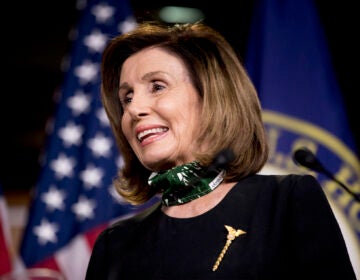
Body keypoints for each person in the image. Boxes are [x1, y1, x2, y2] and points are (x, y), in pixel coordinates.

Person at [85, 21, 356, 279]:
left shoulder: (285, 201)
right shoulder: (115, 245)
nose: (133, 109)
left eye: (157, 86)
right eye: (127, 98)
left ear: (211, 95)